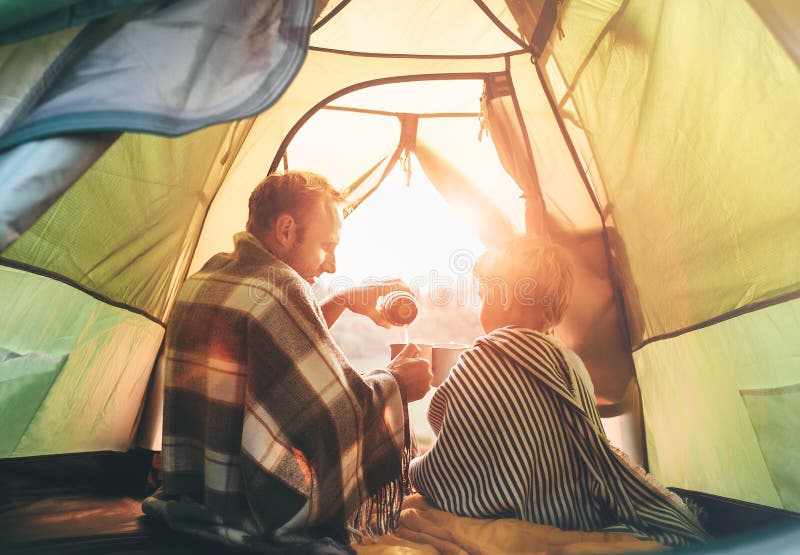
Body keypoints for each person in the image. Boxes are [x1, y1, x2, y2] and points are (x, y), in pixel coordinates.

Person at [144, 171, 431, 550]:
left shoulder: (212, 275)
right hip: (251, 508)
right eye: (326, 246)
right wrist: (396, 384)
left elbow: (275, 360)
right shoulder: (280, 285)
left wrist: (342, 300)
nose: (331, 265)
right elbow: (333, 414)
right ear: (285, 230)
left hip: (200, 489)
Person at [408, 237, 710, 547]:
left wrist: (415, 470)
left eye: (485, 295)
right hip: (578, 509)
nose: (481, 308)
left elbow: (455, 459)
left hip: (529, 515)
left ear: (507, 298)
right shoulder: (571, 360)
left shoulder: (485, 356)